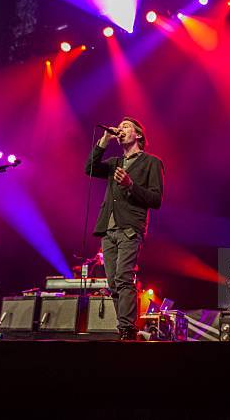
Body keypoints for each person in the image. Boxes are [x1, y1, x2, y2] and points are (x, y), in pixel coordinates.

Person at [85, 117, 164, 340]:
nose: (120, 129)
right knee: (112, 283)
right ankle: (126, 327)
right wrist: (103, 140)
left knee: (123, 277)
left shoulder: (152, 162)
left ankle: (127, 328)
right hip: (108, 229)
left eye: (126, 127)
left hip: (130, 228)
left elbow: (156, 199)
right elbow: (89, 168)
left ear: (138, 135)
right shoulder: (114, 162)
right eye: (119, 127)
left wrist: (131, 185)